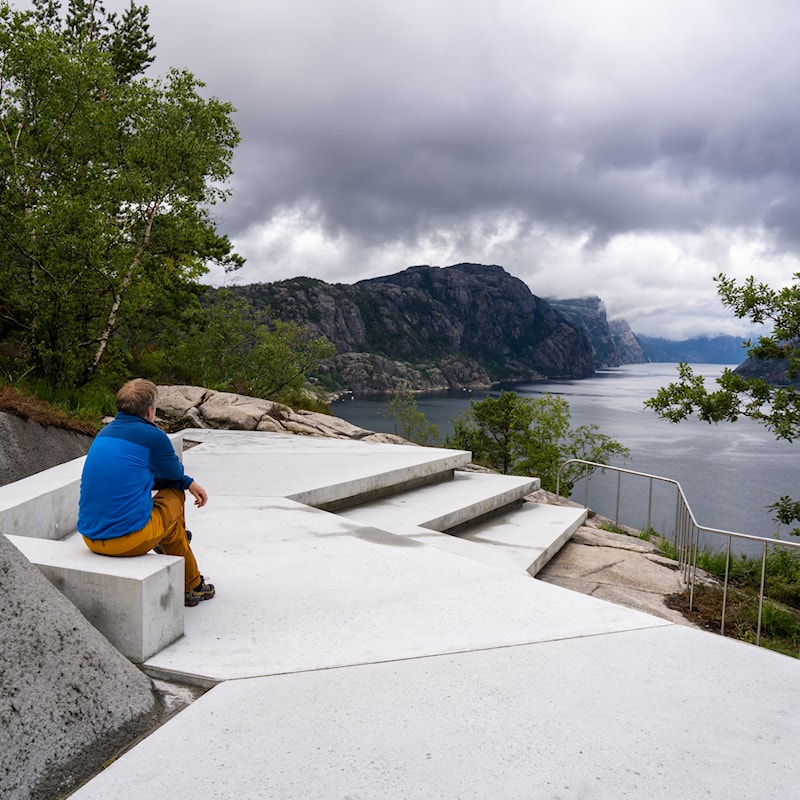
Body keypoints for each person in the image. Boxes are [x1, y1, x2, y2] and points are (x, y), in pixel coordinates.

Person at [78, 378, 215, 607]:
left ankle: (167, 544)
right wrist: (188, 483)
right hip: (126, 541)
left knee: (170, 519)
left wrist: (180, 480)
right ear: (150, 411)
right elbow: (174, 475)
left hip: (90, 537)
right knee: (175, 493)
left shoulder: (104, 433)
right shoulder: (153, 437)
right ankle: (192, 586)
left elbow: (132, 478)